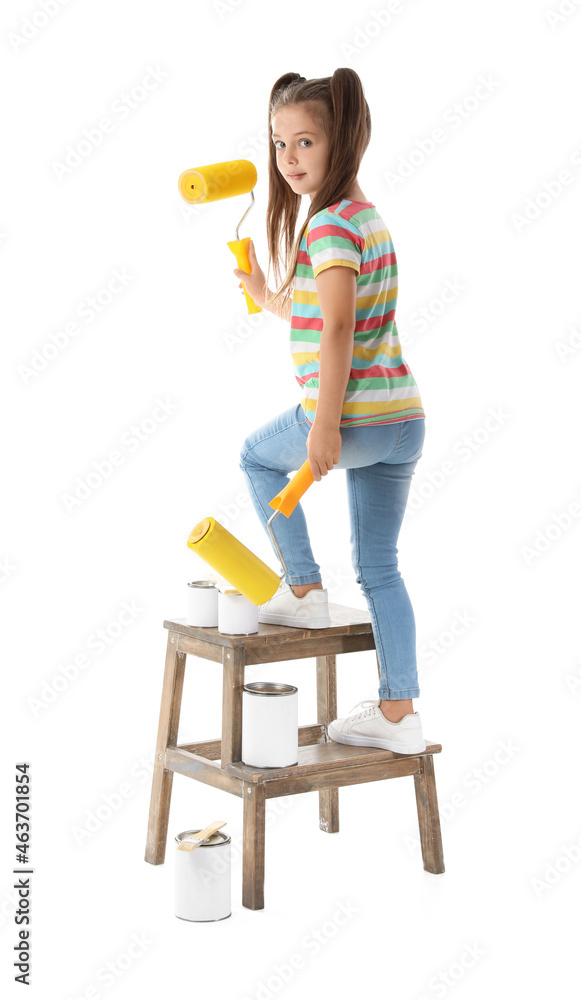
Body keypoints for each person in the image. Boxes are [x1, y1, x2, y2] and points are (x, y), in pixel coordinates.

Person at [235, 69, 427, 754]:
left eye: (305, 141)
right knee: (379, 565)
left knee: (257, 456)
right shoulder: (363, 220)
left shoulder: (328, 225)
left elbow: (340, 328)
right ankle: (398, 714)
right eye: (279, 142)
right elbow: (322, 313)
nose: (288, 158)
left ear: (341, 139)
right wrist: (265, 293)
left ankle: (303, 585)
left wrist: (322, 424)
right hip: (400, 420)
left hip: (352, 421)